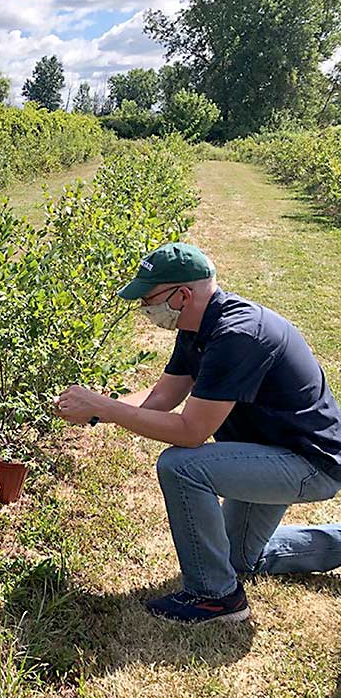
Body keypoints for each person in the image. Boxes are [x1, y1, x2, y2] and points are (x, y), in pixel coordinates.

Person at [54, 242, 341, 625]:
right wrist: (97, 409)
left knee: (181, 466)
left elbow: (191, 432)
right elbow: (161, 396)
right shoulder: (196, 329)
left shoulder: (237, 336)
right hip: (268, 450)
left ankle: (215, 597)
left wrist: (104, 407)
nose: (144, 309)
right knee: (240, 558)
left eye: (149, 299)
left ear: (183, 295)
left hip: (308, 462)